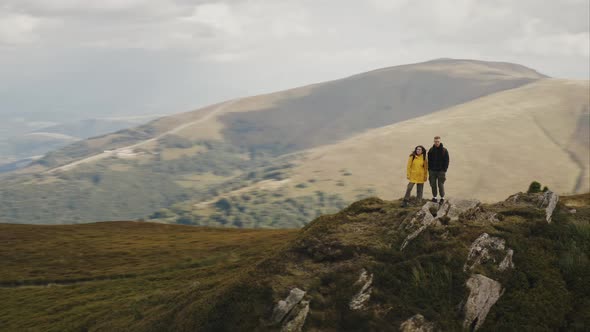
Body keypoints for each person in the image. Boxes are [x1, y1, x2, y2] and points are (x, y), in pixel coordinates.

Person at [427, 136, 450, 204]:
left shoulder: (444, 150)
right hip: (432, 171)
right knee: (433, 184)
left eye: (438, 141)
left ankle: (442, 198)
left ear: (440, 141)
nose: (436, 143)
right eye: (435, 141)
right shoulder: (431, 150)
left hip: (441, 171)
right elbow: (429, 161)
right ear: (434, 142)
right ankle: (434, 197)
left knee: (441, 185)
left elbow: (447, 161)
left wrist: (444, 170)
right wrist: (429, 169)